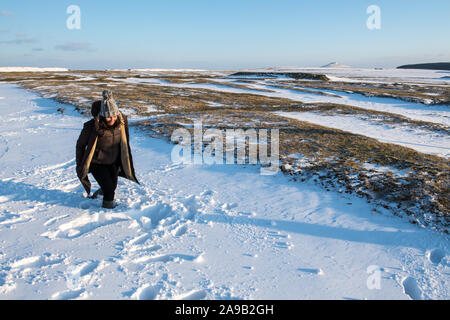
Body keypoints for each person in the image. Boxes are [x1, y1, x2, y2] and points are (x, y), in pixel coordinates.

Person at [76, 90, 139, 209]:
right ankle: (107, 211)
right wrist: (80, 164)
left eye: (114, 115)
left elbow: (124, 141)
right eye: (109, 117)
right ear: (103, 115)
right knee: (110, 190)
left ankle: (100, 193)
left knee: (111, 187)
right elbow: (80, 146)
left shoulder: (121, 122)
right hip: (97, 162)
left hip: (113, 162)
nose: (112, 119)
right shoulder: (92, 126)